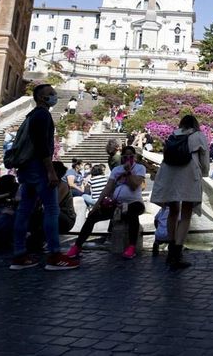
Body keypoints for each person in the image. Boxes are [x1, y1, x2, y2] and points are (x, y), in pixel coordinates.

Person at [10, 84, 79, 271]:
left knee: (24, 210)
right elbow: (43, 146)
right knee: (51, 210)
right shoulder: (43, 115)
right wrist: (50, 170)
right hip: (39, 168)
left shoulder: (31, 115)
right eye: (51, 94)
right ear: (41, 97)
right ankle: (55, 255)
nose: (55, 96)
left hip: (26, 168)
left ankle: (19, 254)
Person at [151, 114, 210, 270]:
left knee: (172, 211)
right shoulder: (198, 136)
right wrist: (204, 173)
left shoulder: (173, 135)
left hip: (170, 175)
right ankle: (177, 250)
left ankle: (171, 248)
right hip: (189, 175)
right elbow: (205, 160)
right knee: (186, 214)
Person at [66, 146, 146, 260]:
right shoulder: (116, 170)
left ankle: (131, 246)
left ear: (134, 157)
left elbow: (134, 185)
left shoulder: (140, 168)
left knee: (132, 213)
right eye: (125, 156)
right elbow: (108, 188)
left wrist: (128, 172)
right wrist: (97, 205)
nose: (128, 158)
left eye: (130, 156)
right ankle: (77, 246)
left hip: (134, 202)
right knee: (92, 216)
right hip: (117, 203)